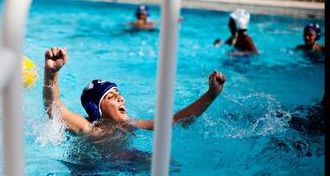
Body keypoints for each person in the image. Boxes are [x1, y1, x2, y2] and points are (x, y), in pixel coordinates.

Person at [43, 47, 226, 137]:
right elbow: (55, 109)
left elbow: (175, 122)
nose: (120, 97)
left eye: (118, 93)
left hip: (123, 165)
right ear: (95, 109)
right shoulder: (88, 127)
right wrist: (51, 73)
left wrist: (211, 94)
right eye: (111, 96)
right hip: (89, 174)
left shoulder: (131, 124)